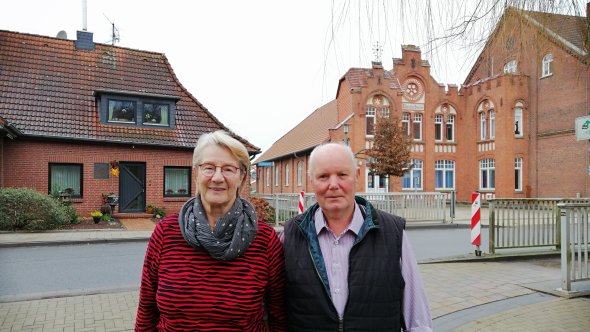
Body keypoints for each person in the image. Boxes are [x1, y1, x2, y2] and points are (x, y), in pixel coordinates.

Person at [136, 130, 286, 331]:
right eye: (208, 168)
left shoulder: (264, 240)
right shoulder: (166, 233)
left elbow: (278, 315)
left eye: (228, 169)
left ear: (242, 177)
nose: (217, 177)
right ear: (196, 173)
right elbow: (146, 310)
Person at [282, 142, 432, 331]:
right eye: (323, 176)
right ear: (311, 181)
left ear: (357, 176)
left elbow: (418, 320)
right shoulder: (289, 236)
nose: (333, 185)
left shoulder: (393, 233)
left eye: (342, 175)